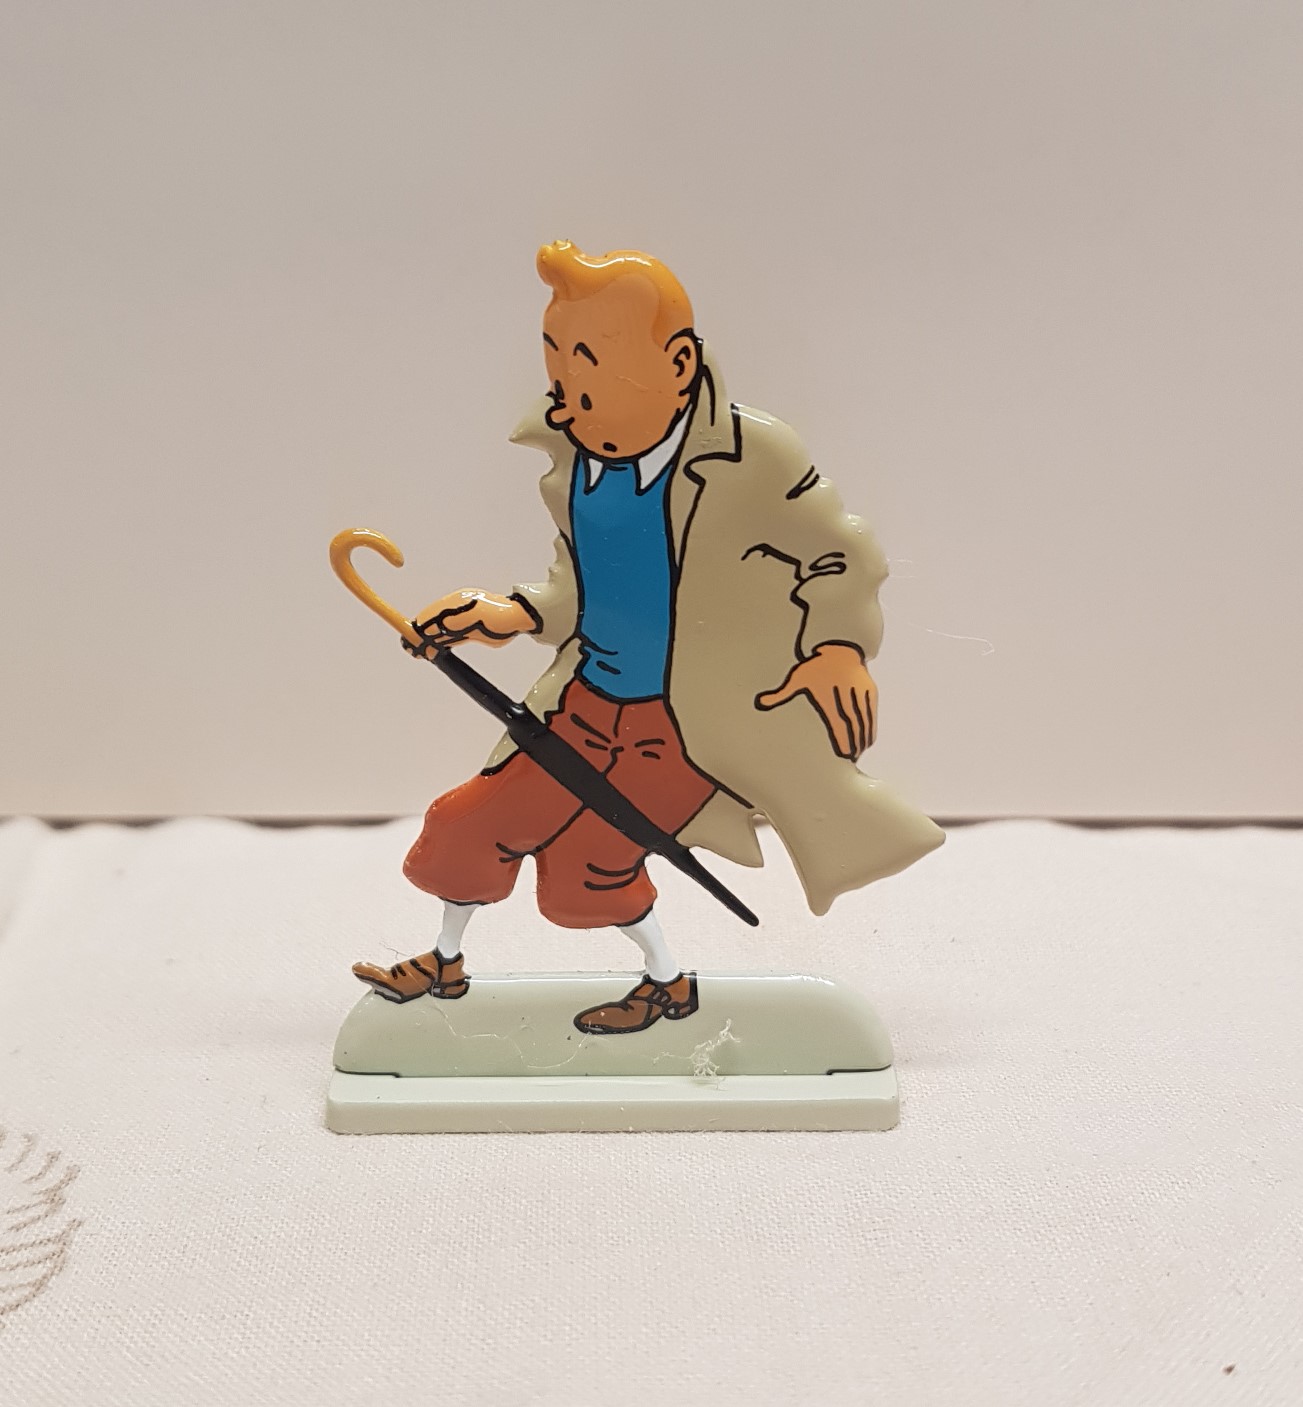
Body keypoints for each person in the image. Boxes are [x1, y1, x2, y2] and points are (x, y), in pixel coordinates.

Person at [351, 241, 943, 1034]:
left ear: (678, 364)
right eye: (558, 370)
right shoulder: (578, 465)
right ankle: (444, 964)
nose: (568, 399)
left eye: (593, 369)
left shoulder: (746, 458)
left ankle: (668, 983)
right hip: (582, 705)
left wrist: (836, 644)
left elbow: (838, 551)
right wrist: (514, 612)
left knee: (585, 870)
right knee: (468, 823)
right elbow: (580, 587)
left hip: (680, 727)